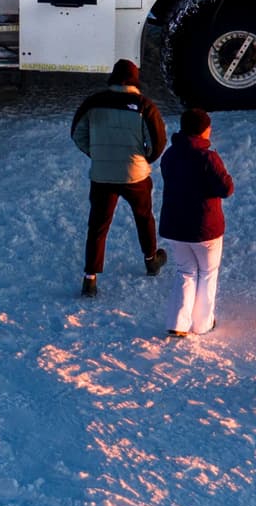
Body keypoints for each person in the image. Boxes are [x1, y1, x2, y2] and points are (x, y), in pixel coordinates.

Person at [68, 59, 169, 296]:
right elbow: (158, 143)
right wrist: (145, 159)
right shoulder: (144, 105)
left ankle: (90, 278)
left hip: (102, 175)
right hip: (135, 175)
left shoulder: (93, 103)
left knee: (98, 225)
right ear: (135, 79)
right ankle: (151, 259)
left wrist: (96, 153)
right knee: (144, 217)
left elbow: (77, 134)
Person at [155, 107, 233, 337]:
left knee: (185, 271)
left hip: (175, 226)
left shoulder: (170, 155)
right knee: (208, 273)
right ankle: (202, 323)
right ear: (204, 130)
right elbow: (226, 188)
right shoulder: (208, 157)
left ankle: (178, 323)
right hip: (205, 228)